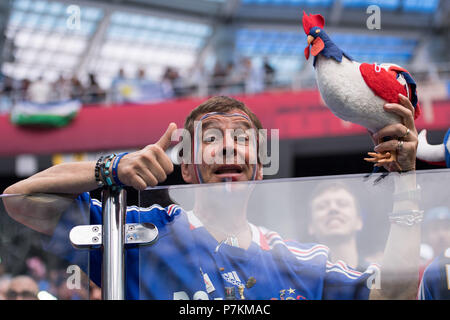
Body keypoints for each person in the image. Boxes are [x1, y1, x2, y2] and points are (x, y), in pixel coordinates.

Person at [2, 95, 422, 300]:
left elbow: (394, 293)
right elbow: (18, 200)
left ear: (258, 169)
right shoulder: (142, 235)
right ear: (186, 168)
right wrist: (109, 168)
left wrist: (406, 185)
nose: (227, 148)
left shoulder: (297, 261)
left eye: (241, 139)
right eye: (211, 139)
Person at [307, 181, 382, 271]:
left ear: (359, 221)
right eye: (322, 206)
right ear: (310, 226)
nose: (333, 208)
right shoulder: (302, 279)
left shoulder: (377, 275)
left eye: (342, 204)